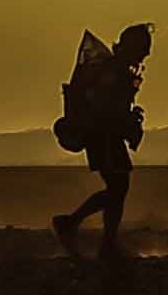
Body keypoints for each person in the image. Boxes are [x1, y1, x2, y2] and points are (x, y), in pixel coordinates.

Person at [54, 22, 152, 266]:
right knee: (118, 187)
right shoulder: (113, 71)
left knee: (118, 188)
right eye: (144, 47)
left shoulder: (117, 69)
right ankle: (74, 225)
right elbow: (105, 106)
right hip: (103, 135)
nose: (147, 53)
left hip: (108, 135)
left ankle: (104, 242)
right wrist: (127, 120)